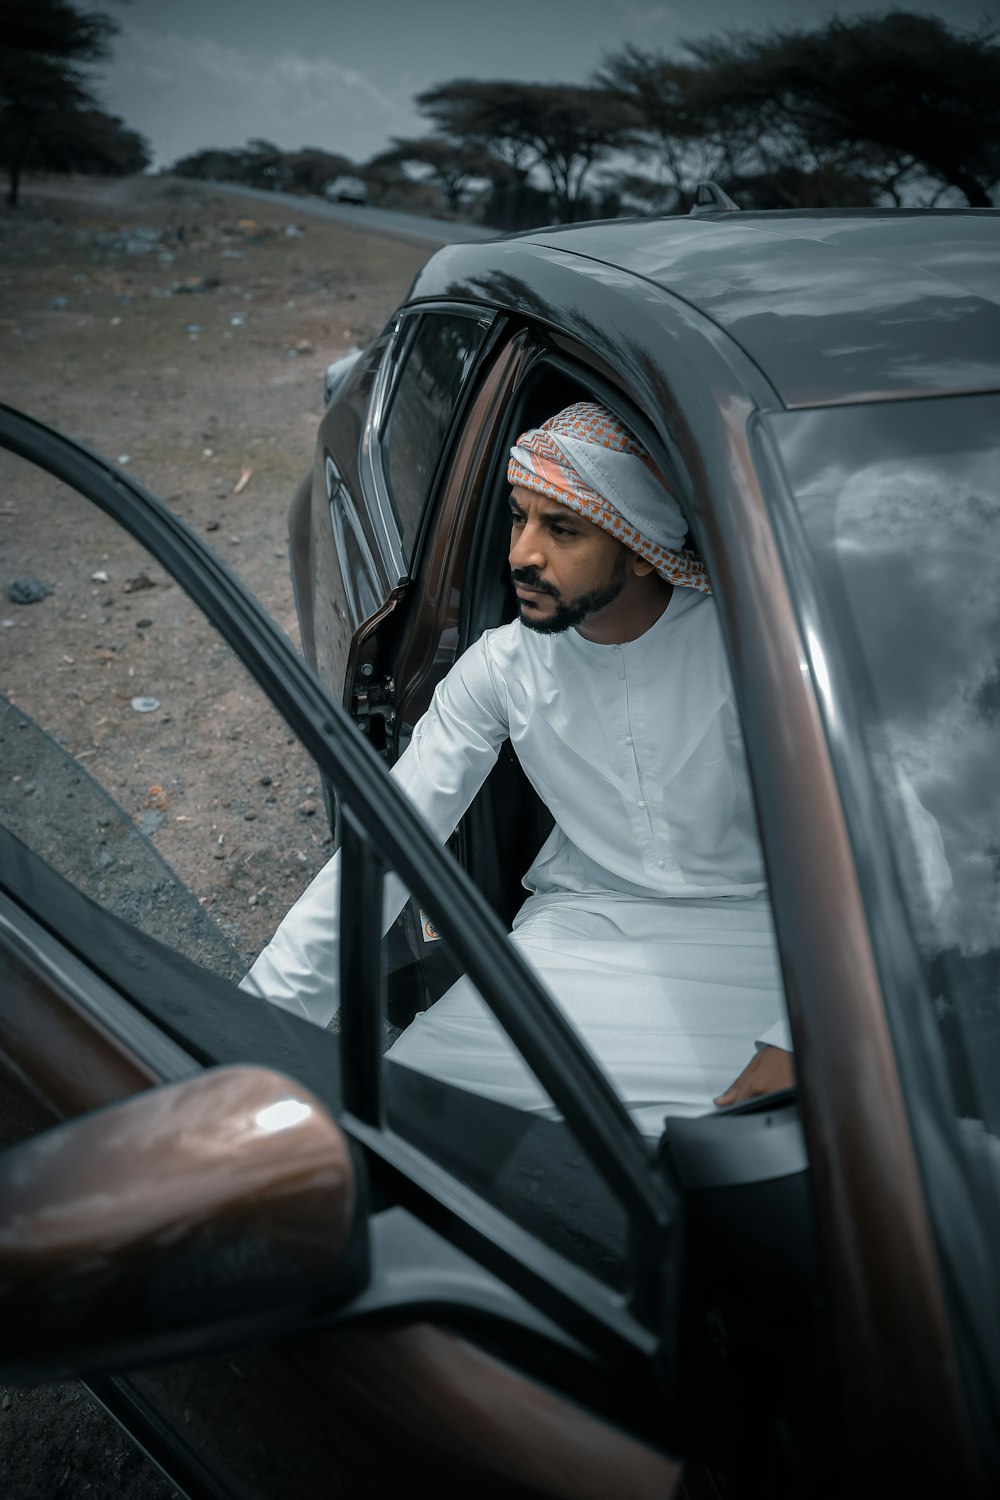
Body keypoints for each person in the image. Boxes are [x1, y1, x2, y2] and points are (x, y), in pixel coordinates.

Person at [242, 402, 794, 1133]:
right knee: (395, 1132)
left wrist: (803, 1036)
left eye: (561, 529)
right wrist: (253, 1029)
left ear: (638, 546)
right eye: (518, 519)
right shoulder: (502, 668)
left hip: (775, 950)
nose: (521, 554)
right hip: (577, 943)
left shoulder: (754, 655)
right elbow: (386, 846)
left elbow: (901, 848)